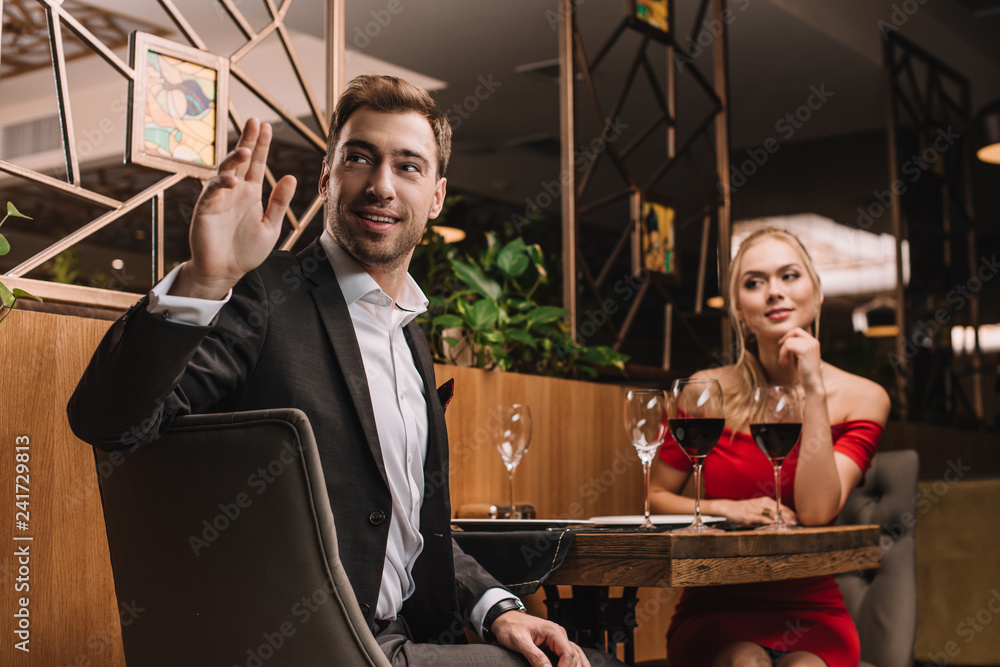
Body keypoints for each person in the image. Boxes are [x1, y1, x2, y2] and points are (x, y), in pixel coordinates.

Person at [68, 74, 622, 667]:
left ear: (435, 197)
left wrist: (498, 608)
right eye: (360, 158)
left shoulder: (409, 335)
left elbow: (409, 530)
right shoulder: (260, 296)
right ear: (327, 177)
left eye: (407, 166)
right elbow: (112, 422)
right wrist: (205, 280)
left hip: (398, 639)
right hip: (307, 648)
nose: (381, 185)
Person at [649, 227, 890, 667]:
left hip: (811, 607)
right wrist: (728, 509)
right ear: (740, 311)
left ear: (815, 293)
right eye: (754, 282)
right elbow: (654, 497)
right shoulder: (705, 391)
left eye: (789, 276)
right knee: (744, 660)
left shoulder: (864, 397)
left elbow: (816, 512)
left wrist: (813, 389)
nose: (774, 292)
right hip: (715, 607)